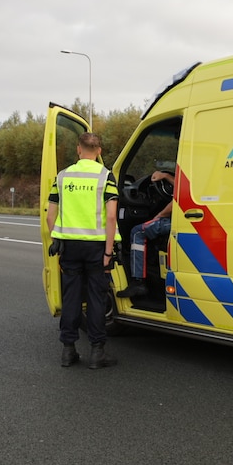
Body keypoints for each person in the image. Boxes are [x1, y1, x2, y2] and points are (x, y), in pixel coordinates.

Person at [46, 132, 121, 369]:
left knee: (71, 297)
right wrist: (108, 252)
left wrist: (56, 237)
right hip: (97, 247)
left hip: (70, 247)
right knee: (96, 298)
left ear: (79, 149)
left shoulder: (63, 176)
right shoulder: (106, 176)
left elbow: (50, 215)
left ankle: (68, 350)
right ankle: (97, 352)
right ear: (98, 151)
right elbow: (111, 216)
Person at [118, 163, 175, 299]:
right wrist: (166, 176)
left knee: (138, 232)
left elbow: (179, 196)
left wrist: (159, 215)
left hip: (176, 220)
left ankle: (138, 282)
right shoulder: (205, 176)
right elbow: (181, 187)